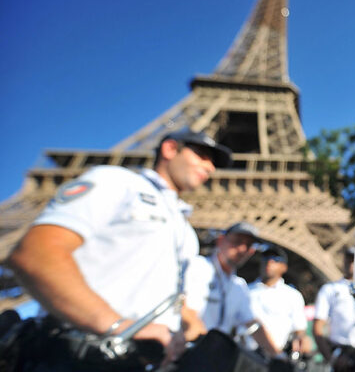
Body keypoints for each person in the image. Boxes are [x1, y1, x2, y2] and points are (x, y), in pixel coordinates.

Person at [5, 129, 232, 369]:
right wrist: (116, 325)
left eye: (213, 163)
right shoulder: (117, 182)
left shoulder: (186, 232)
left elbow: (176, 301)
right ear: (170, 149)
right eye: (202, 155)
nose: (210, 167)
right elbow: (36, 254)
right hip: (79, 355)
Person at [182, 221, 280, 356]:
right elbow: (186, 312)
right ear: (220, 240)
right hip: (188, 353)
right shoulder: (198, 267)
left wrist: (278, 355)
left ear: (252, 251)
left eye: (248, 245)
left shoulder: (239, 286)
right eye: (237, 241)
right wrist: (209, 346)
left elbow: (253, 324)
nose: (241, 249)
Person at [245, 246, 312, 358]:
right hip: (245, 353)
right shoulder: (245, 290)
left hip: (275, 357)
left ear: (284, 267)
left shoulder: (292, 295)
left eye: (275, 259)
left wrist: (299, 340)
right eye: (265, 258)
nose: (269, 262)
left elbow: (299, 329)